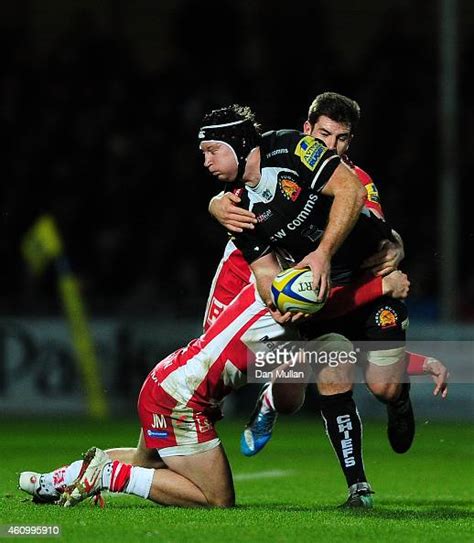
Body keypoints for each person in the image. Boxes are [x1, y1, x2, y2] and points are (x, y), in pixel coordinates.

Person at [197, 102, 426, 507]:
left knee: (384, 387)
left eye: (341, 138)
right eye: (324, 136)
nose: (332, 146)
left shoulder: (345, 175)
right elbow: (265, 270)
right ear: (308, 130)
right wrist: (278, 298)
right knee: (303, 389)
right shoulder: (245, 198)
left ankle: (399, 400)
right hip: (322, 293)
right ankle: (358, 488)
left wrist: (382, 250)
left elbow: (374, 226)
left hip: (366, 289)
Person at [19, 272, 410, 508]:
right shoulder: (272, 342)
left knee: (150, 461)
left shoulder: (257, 293)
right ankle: (111, 478)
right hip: (181, 403)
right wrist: (380, 287)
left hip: (165, 381)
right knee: (216, 498)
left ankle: (56, 481)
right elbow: (322, 331)